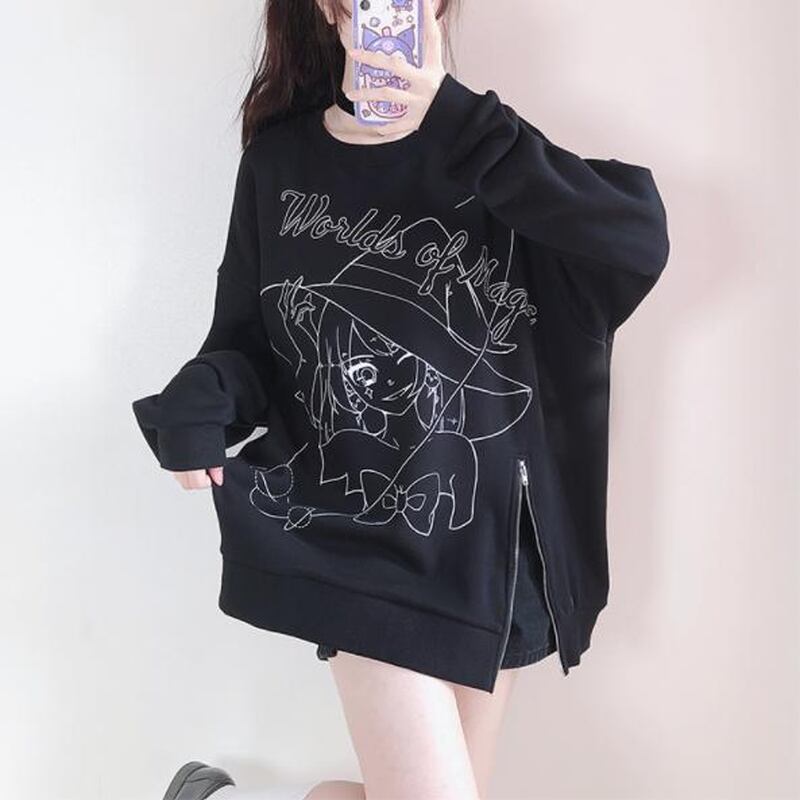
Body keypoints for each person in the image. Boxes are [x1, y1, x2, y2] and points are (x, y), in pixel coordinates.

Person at [134, 1, 670, 798]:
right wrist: (201, 403)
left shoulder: (492, 150)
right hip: (362, 544)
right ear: (330, 7)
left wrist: (458, 121)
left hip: (488, 556)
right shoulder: (281, 165)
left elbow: (636, 240)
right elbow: (251, 347)